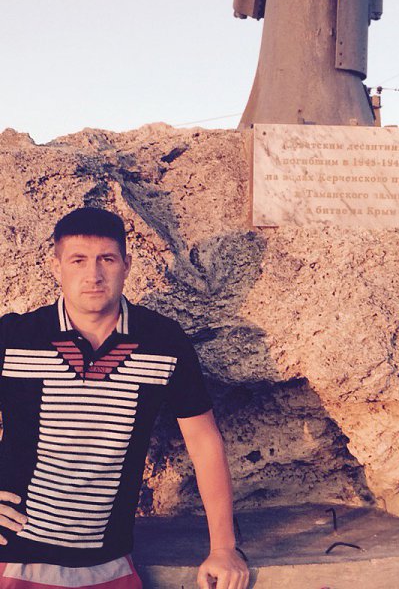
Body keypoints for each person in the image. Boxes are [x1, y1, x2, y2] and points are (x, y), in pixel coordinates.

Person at [0, 207, 249, 589]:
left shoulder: (162, 341)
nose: (93, 275)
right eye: (78, 260)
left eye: (107, 259)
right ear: (56, 266)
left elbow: (203, 441)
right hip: (13, 558)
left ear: (127, 265)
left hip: (109, 563)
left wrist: (224, 548)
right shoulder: (15, 337)